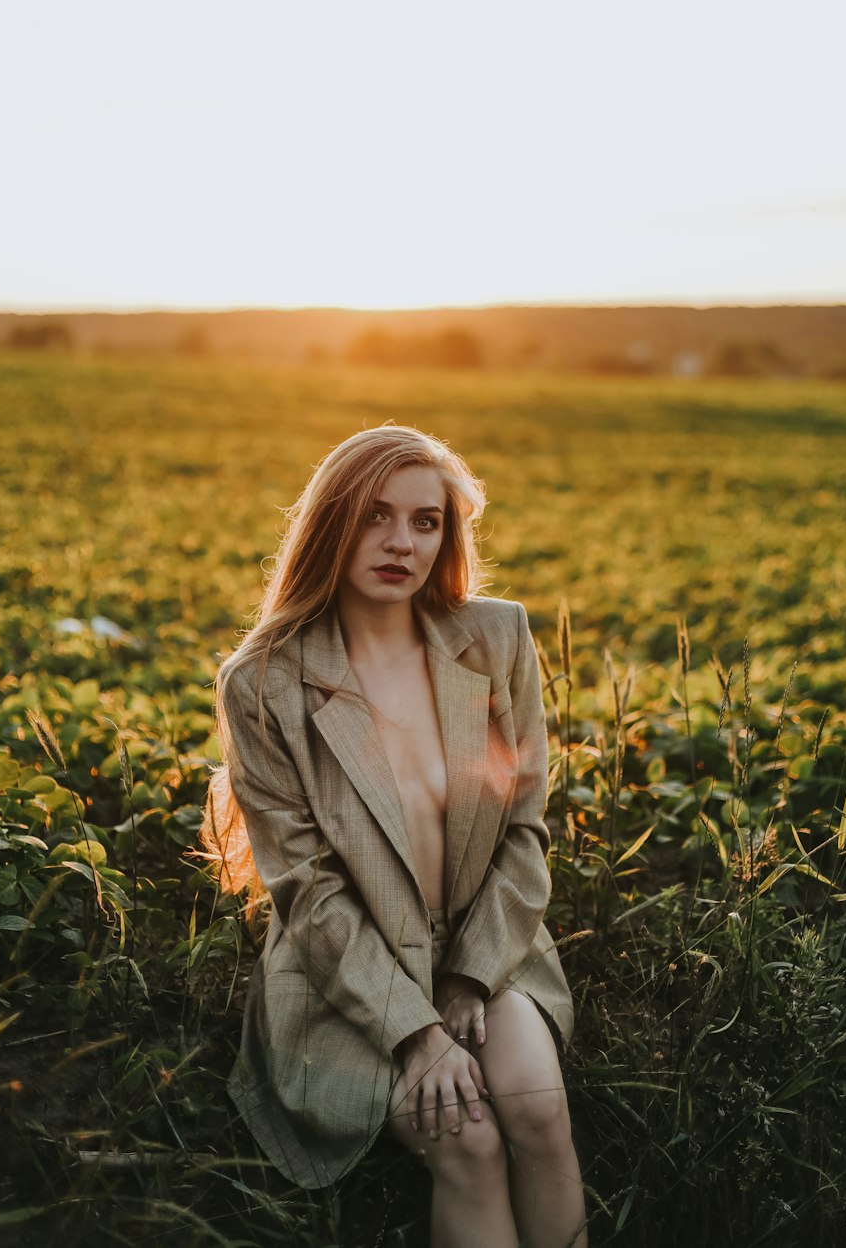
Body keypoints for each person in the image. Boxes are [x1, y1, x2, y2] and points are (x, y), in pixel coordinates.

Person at [202, 425, 588, 1248]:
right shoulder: (265, 682)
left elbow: (524, 832)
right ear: (331, 524)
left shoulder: (496, 639)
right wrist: (415, 1031)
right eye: (375, 516)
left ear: (449, 534)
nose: (400, 542)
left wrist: (471, 981)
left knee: (539, 1115)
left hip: (488, 943)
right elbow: (308, 890)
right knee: (470, 1139)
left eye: (426, 521)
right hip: (349, 964)